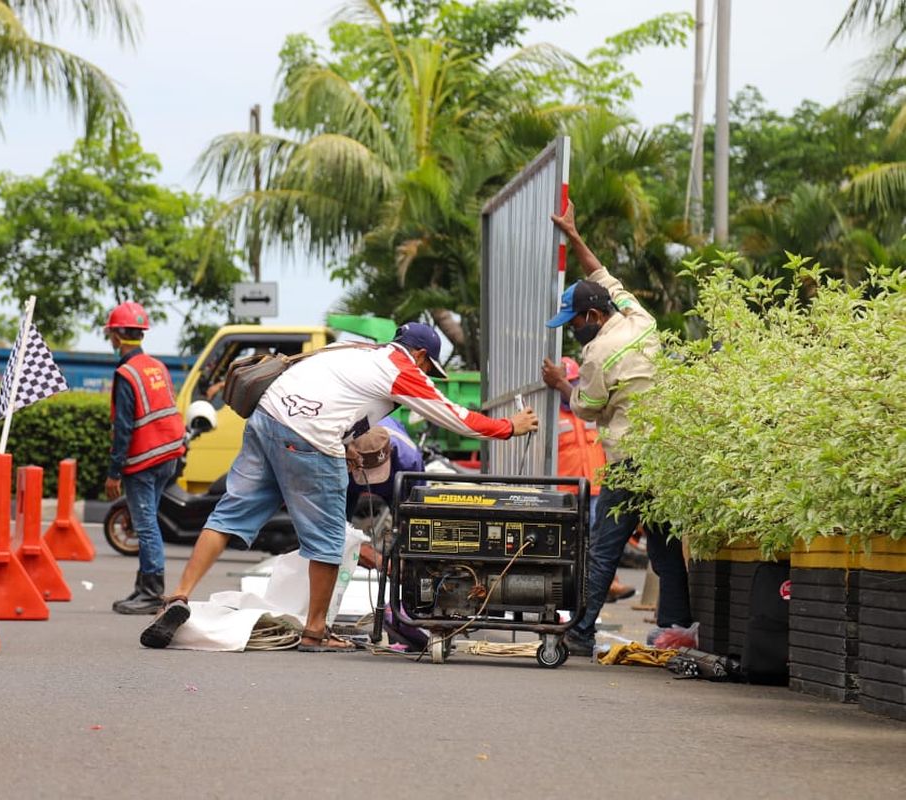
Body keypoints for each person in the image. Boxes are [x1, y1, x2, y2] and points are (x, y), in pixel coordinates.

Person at [141, 322, 539, 651]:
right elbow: (453, 415)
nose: (425, 374)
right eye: (427, 367)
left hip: (267, 417)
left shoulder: (353, 350)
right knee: (329, 539)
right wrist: (508, 427)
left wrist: (345, 442)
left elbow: (339, 398)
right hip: (310, 437)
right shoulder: (401, 370)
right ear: (419, 355)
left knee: (227, 515)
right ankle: (315, 632)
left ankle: (177, 595)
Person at [541, 201, 693, 656]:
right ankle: (675, 627)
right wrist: (574, 233)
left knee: (604, 546)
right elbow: (606, 277)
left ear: (590, 318)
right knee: (665, 550)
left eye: (574, 323)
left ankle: (582, 632)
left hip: (630, 462)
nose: (574, 332)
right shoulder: (640, 321)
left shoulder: (596, 354)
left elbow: (586, 408)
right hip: (664, 457)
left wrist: (559, 385)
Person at [104, 301, 187, 615]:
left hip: (144, 460)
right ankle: (143, 588)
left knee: (146, 524)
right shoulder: (157, 366)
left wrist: (114, 471)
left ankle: (152, 593)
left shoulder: (126, 373)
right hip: (168, 456)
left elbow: (123, 427)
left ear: (117, 336)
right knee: (148, 522)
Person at [555, 356, 634, 604]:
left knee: (600, 539)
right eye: (566, 382)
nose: (570, 387)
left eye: (574, 382)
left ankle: (608, 584)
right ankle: (578, 591)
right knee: (573, 542)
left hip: (598, 485)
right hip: (567, 491)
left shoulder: (591, 411)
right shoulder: (551, 414)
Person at [345, 417, 424, 520]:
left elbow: (417, 502)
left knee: (404, 519)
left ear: (390, 451)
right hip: (349, 478)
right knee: (338, 523)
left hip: (393, 481)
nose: (372, 482)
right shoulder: (337, 451)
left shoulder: (410, 460)